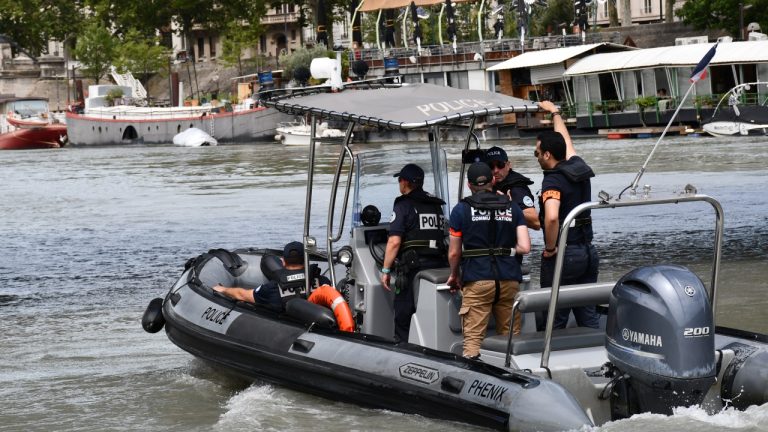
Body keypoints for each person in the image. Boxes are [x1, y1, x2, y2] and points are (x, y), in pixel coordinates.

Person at [446, 162, 531, 359]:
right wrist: (508, 250)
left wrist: (453, 275)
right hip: (509, 279)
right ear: (493, 180)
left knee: (473, 341)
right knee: (511, 338)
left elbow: (453, 253)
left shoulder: (461, 210)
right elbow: (525, 247)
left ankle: (471, 380)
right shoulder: (512, 207)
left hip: (477, 280)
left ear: (469, 185)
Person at [535, 100, 600, 330]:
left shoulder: (552, 179)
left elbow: (552, 217)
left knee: (554, 315)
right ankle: (595, 357)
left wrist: (551, 248)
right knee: (588, 313)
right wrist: (555, 113)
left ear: (547, 155)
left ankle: (550, 361)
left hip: (565, 253)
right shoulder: (578, 165)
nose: (537, 156)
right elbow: (567, 142)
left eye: (537, 153)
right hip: (588, 251)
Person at [380, 163, 447, 342]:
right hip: (439, 265)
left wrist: (386, 270)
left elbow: (394, 242)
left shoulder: (403, 205)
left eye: (400, 179)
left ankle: (402, 349)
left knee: (403, 311)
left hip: (413, 268)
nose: (399, 183)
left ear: (405, 182)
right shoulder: (436, 205)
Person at [214, 241, 329, 311]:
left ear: (283, 262)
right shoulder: (323, 282)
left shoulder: (272, 288)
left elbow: (242, 295)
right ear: (305, 261)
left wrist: (223, 289)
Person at [485, 146, 540, 230]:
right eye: (491, 166)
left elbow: (536, 222)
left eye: (500, 165)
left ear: (508, 165)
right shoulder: (485, 184)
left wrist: (509, 208)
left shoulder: (516, 189)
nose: (496, 170)